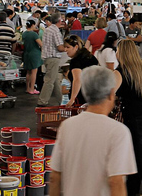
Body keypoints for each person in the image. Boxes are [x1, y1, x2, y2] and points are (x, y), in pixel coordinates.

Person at [49, 66, 136, 196]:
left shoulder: (67, 126)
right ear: (111, 94)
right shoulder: (118, 132)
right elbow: (116, 182)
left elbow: (55, 177)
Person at [115, 40, 142, 196]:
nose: (116, 53)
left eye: (117, 50)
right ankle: (133, 189)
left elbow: (110, 94)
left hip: (136, 117)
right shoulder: (140, 69)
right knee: (135, 154)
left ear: (122, 52)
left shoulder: (120, 72)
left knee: (139, 156)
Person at [37, 14, 65, 107]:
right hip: (53, 58)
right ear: (59, 21)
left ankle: (62, 100)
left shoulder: (48, 29)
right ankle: (42, 101)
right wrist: (69, 48)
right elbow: (60, 47)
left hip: (47, 57)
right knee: (49, 81)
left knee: (55, 80)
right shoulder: (56, 31)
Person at [64, 36, 99, 106]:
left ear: (76, 47)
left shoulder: (76, 61)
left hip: (82, 97)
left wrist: (72, 99)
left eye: (68, 47)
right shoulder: (90, 57)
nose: (65, 50)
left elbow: (77, 79)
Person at [22, 18, 43, 95]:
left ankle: (27, 88)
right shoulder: (34, 34)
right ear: (33, 25)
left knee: (28, 72)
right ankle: (32, 89)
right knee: (34, 72)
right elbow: (41, 44)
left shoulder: (24, 34)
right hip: (34, 54)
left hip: (26, 53)